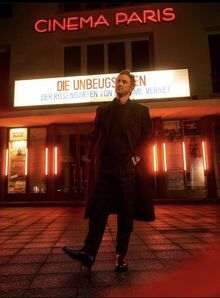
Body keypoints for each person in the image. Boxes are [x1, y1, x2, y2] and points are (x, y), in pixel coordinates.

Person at [63, 69, 155, 272]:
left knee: (126, 214)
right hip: (105, 168)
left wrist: (135, 158)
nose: (119, 84)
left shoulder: (141, 111)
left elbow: (148, 139)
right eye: (117, 81)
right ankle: (88, 253)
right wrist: (92, 157)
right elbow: (95, 135)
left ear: (131, 87)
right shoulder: (103, 110)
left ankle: (121, 256)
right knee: (98, 211)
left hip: (127, 169)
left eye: (123, 82)